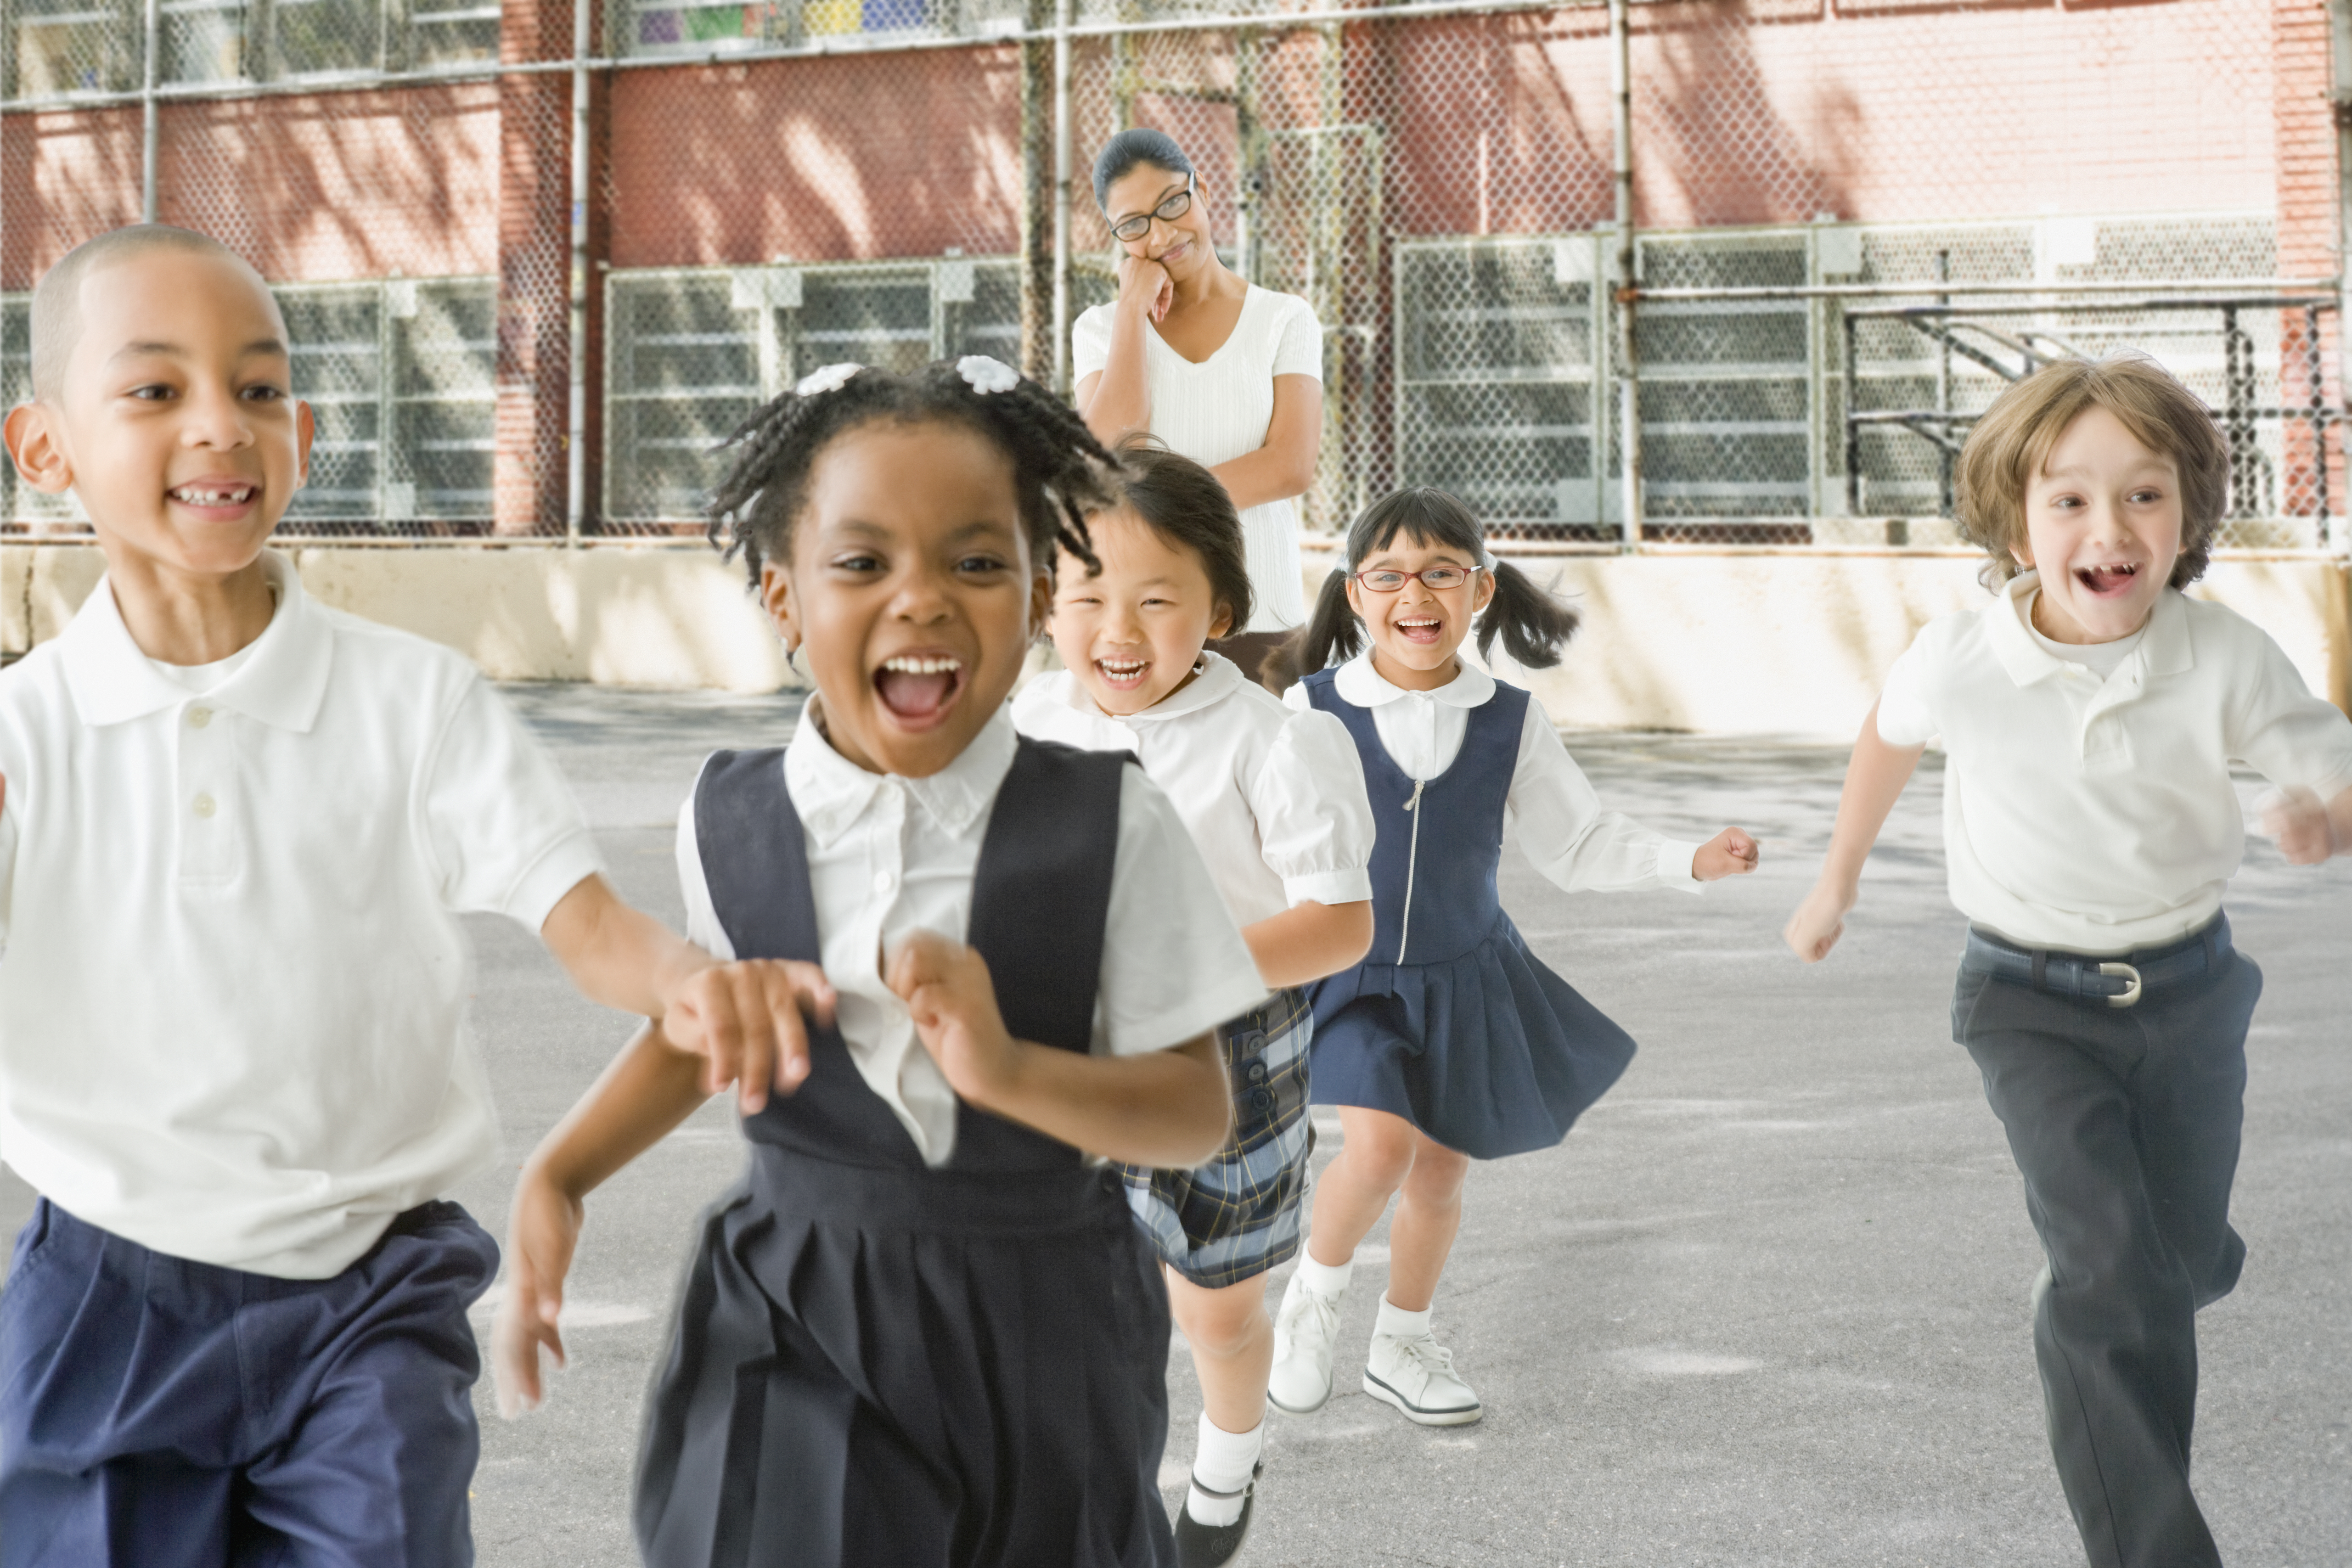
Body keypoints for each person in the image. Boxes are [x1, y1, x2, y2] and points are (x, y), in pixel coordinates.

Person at [0, 225, 816, 1566]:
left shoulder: (409, 700)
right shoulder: (25, 735)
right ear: (46, 448)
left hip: (366, 1290)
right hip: (109, 1292)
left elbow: (588, 921)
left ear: (303, 429)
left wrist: (687, 980)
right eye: (155, 391)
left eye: (259, 388)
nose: (222, 424)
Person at [493, 358, 1267, 1568]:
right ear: (783, 596)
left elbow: (1194, 1108)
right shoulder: (730, 816)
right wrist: (560, 1172)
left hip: (1044, 1312)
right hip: (799, 1296)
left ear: (1033, 595)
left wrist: (1007, 1067)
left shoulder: (1115, 824)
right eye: (863, 563)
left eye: (976, 562)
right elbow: (716, 1023)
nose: (922, 599)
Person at [1784, 352, 2352, 1568]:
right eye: (2070, 498)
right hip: (2028, 1000)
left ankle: (2170, 1258)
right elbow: (1886, 741)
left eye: (2144, 494)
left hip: (2194, 990)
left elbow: (2330, 764)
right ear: (2015, 518)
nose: (2109, 526)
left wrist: (2323, 817)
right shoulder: (1964, 656)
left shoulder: (2222, 653)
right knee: (2105, 1277)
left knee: (2172, 1263)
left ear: (2189, 515)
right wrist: (1833, 880)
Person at [1266, 488, 1761, 1427]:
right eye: (1389, 576)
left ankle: (1402, 1340)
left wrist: (1686, 862)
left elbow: (1575, 844)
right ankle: (1311, 1307)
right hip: (1352, 975)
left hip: (1467, 975)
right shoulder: (1312, 708)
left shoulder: (1507, 717)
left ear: (1481, 588)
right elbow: (1265, 831)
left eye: (1441, 572)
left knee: (1443, 1170)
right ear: (1354, 593)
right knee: (1375, 1150)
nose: (1416, 593)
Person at [1013, 439, 1376, 1568]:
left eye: (1154, 599)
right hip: (1067, 1046)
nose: (1115, 630)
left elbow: (1338, 921)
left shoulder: (1276, 742)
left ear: (1218, 607)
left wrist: (1181, 964)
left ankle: (1228, 1453)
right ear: (1044, 602)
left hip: (1229, 1055)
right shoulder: (1026, 718)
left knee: (1211, 1308)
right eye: (1084, 595)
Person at [1076, 128, 1323, 688]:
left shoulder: (1284, 319)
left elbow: (1289, 465)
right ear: (1117, 237)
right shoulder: (1099, 330)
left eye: (1171, 203)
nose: (1162, 233)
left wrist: (1158, 508)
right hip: (1147, 621)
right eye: (1134, 224)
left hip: (1263, 615)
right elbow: (1113, 450)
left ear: (1201, 190)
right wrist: (1131, 311)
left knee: (1272, 774)